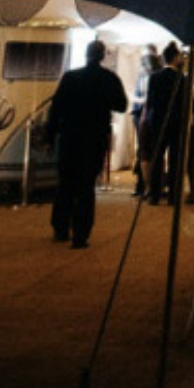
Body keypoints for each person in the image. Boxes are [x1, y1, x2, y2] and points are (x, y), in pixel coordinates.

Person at [45, 39, 128, 249]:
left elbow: (56, 109)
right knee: (85, 187)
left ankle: (60, 228)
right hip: (94, 139)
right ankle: (80, 234)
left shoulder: (71, 77)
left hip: (70, 137)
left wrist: (49, 137)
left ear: (85, 54)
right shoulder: (109, 79)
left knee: (65, 184)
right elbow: (121, 105)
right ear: (102, 56)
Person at [138, 45, 183, 204]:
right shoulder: (181, 78)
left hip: (157, 122)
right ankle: (173, 196)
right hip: (176, 123)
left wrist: (148, 120)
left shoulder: (155, 77)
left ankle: (155, 195)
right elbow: (183, 103)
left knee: (156, 158)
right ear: (176, 58)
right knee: (174, 160)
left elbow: (150, 102)